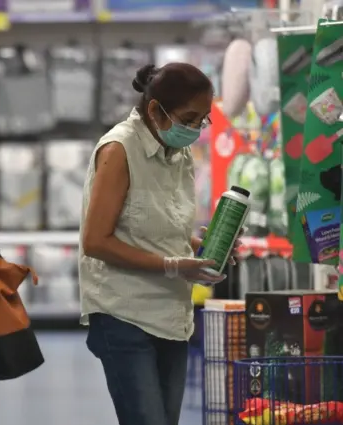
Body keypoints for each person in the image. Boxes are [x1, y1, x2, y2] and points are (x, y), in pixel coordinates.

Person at [79, 63, 241, 425]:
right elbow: (95, 241)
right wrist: (172, 266)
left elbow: (164, 226)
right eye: (190, 118)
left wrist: (206, 246)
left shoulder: (177, 153)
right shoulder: (120, 150)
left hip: (172, 315)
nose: (196, 128)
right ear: (155, 110)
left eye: (203, 119)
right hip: (124, 314)